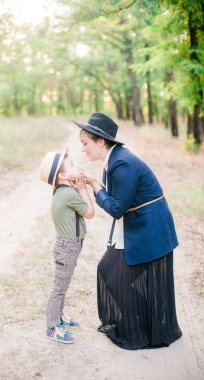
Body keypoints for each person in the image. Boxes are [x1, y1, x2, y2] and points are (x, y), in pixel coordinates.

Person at [73, 112, 182, 350]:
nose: (82, 149)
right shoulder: (115, 159)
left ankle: (136, 331)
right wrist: (94, 183)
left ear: (100, 141)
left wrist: (93, 185)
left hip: (149, 230)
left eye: (85, 143)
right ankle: (125, 323)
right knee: (107, 269)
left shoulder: (121, 162)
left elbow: (116, 208)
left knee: (119, 277)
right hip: (139, 225)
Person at [39, 147, 94, 344]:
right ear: (61, 175)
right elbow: (89, 212)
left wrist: (76, 185)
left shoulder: (61, 189)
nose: (76, 165)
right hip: (68, 247)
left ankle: (59, 316)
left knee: (63, 286)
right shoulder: (70, 194)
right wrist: (82, 188)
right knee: (59, 289)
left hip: (67, 246)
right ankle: (52, 327)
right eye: (71, 165)